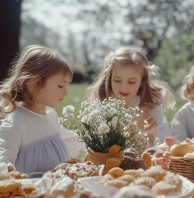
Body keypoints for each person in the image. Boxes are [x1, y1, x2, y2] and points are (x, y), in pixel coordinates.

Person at [0, 46, 84, 174]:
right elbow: (3, 165)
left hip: (60, 191)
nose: (66, 92)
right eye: (61, 86)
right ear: (35, 83)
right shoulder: (16, 123)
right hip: (34, 192)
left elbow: (73, 140)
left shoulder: (51, 117)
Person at [89, 47, 175, 146]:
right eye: (117, 80)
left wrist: (150, 132)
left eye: (131, 82)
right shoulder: (102, 107)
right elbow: (94, 147)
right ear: (109, 78)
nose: (124, 87)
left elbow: (168, 146)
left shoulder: (152, 109)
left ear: (142, 81)